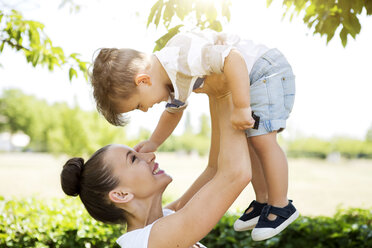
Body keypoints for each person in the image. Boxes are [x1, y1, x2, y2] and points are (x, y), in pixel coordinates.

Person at [90, 29, 298, 240]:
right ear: (121, 195)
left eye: (137, 105)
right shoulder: (151, 238)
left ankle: (279, 203)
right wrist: (154, 141)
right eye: (133, 159)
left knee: (261, 140)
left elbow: (233, 58)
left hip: (263, 71)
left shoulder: (181, 59)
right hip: (250, 79)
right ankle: (265, 200)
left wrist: (239, 105)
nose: (144, 109)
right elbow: (174, 115)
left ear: (143, 80)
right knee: (254, 140)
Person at [61, 89, 252, 248]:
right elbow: (235, 174)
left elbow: (215, 169)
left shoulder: (163, 220)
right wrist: (226, 92)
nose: (150, 155)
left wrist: (214, 92)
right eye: (134, 159)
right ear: (121, 195)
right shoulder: (146, 243)